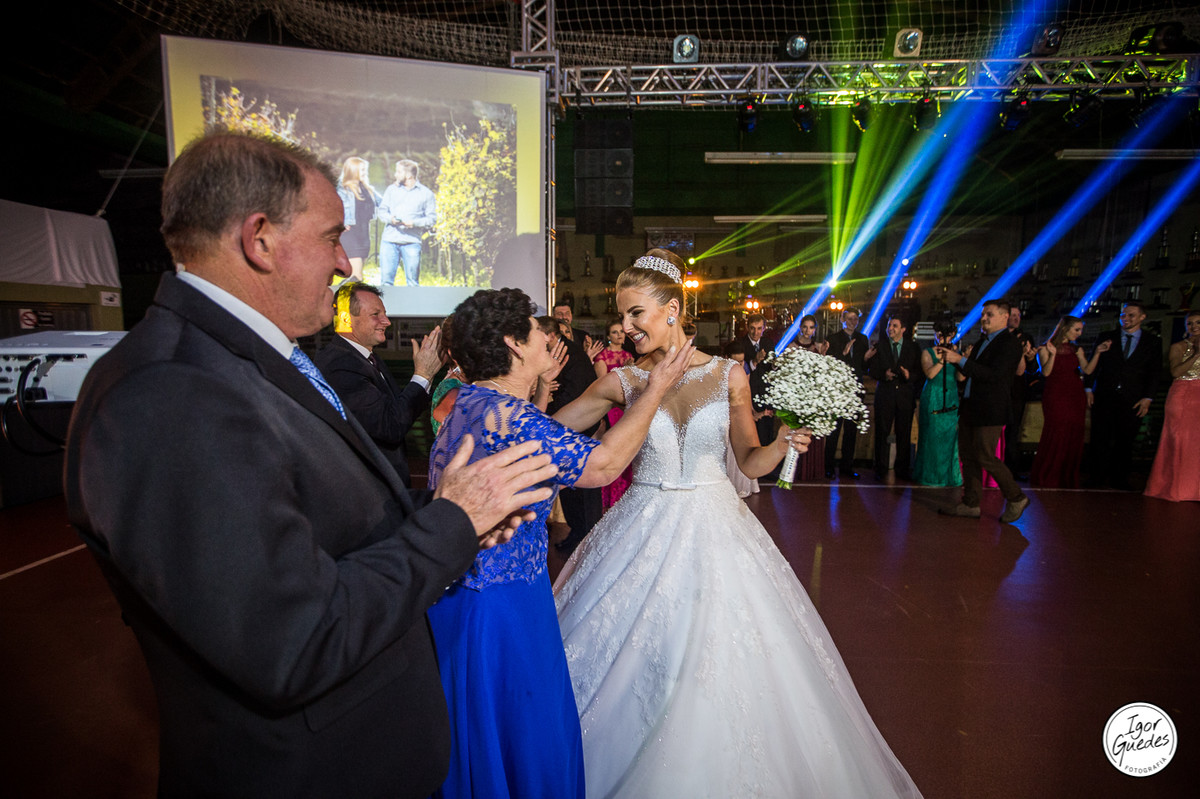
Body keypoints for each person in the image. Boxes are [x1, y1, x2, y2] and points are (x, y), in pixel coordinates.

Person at [62, 130, 557, 799]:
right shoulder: (171, 393)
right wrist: (449, 524)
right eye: (331, 237)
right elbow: (292, 638)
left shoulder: (247, 360)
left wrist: (451, 516)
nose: (346, 260)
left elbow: (332, 522)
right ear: (260, 239)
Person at [553, 250, 923, 798]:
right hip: (639, 526)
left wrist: (781, 444)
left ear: (673, 309)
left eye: (635, 314)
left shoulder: (729, 374)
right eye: (622, 316)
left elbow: (748, 461)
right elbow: (549, 430)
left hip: (715, 526)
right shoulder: (621, 381)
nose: (626, 328)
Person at [426, 287, 694, 799]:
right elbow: (604, 465)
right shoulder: (512, 417)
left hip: (463, 600)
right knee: (526, 737)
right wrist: (656, 387)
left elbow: (547, 436)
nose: (546, 336)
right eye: (534, 328)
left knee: (480, 740)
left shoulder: (475, 403)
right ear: (513, 343)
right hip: (504, 609)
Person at [314, 282, 442, 486]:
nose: (387, 321)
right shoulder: (340, 365)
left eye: (385, 313)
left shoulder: (366, 357)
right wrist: (422, 375)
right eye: (376, 314)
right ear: (346, 319)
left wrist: (425, 376)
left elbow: (397, 411)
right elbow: (389, 426)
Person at [937, 299, 1030, 523]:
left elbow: (995, 375)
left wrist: (960, 360)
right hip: (972, 406)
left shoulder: (1009, 343)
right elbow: (973, 372)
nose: (984, 318)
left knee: (985, 455)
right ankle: (970, 503)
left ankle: (1016, 497)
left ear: (1003, 317)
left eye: (989, 314)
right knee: (968, 456)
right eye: (983, 314)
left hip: (991, 409)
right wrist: (956, 360)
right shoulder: (982, 342)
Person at [1085, 301, 1163, 490]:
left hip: (1132, 398)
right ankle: (1096, 477)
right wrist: (1088, 389)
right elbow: (1093, 365)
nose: (1125, 319)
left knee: (1125, 440)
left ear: (1142, 317)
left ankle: (1119, 478)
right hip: (1105, 395)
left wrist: (1148, 397)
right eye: (1123, 315)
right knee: (1100, 438)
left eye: (1131, 315)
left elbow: (1155, 371)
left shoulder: (1152, 341)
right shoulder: (1106, 336)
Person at [548, 302, 604, 555]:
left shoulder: (569, 354)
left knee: (583, 492)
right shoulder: (559, 353)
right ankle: (576, 534)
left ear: (552, 335)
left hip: (581, 431)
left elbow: (573, 393)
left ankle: (585, 541)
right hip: (570, 431)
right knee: (571, 493)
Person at [1029, 316, 1092, 488]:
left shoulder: (1076, 349)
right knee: (1056, 431)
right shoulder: (1046, 348)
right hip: (1056, 393)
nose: (1079, 334)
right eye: (1076, 330)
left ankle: (1067, 477)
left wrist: (1099, 353)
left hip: (1075, 393)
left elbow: (1087, 370)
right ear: (1065, 329)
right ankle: (1049, 475)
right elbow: (1046, 373)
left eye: (1080, 330)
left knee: (1073, 432)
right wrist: (1054, 354)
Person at [1144, 310, 1200, 502]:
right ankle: (1176, 487)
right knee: (1179, 440)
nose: (1194, 327)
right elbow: (1176, 372)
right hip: (1183, 393)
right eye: (1190, 323)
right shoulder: (1178, 347)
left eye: (1198, 323)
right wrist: (1196, 355)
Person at [867, 315, 921, 481]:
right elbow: (871, 370)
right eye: (889, 326)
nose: (890, 329)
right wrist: (884, 375)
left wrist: (908, 375)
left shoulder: (913, 347)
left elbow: (919, 372)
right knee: (882, 432)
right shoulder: (880, 346)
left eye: (895, 326)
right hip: (885, 395)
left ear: (903, 329)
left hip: (905, 396)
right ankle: (881, 468)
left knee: (903, 433)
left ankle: (902, 469)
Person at [913, 321, 962, 487]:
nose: (942, 338)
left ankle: (949, 476)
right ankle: (930, 475)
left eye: (946, 335)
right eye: (939, 334)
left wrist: (960, 359)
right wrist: (942, 359)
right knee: (932, 435)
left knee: (950, 436)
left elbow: (961, 378)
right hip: (934, 395)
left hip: (951, 396)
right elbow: (930, 374)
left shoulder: (956, 353)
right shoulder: (927, 353)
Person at [593, 318, 635, 509]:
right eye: (615, 332)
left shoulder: (629, 355)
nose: (619, 335)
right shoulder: (602, 357)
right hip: (611, 409)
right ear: (608, 336)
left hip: (626, 407)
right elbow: (602, 387)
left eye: (621, 332)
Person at [825, 306, 870, 479]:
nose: (853, 322)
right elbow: (830, 364)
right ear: (843, 319)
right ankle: (828, 466)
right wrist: (843, 353)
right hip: (838, 391)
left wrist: (867, 358)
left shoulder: (862, 339)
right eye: (850, 318)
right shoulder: (834, 338)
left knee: (851, 431)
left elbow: (863, 367)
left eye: (855, 319)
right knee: (834, 430)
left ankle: (847, 467)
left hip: (855, 390)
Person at [379, 159, 436, 286]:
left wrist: (414, 223)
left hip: (411, 243)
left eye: (399, 172)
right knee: (386, 283)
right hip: (389, 241)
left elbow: (431, 219)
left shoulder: (426, 194)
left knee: (412, 283)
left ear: (409, 176)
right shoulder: (391, 190)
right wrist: (390, 219)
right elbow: (382, 212)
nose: (395, 175)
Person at [1005, 305, 1038, 477]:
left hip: (1017, 391)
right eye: (1013, 315)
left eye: (1019, 315)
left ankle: (1011, 469)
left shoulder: (1026, 338)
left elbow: (1033, 369)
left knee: (1014, 430)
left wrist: (1031, 358)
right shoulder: (998, 337)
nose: (1017, 318)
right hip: (999, 388)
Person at [335, 156, 382, 282]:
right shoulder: (343, 189)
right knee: (357, 276)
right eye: (362, 170)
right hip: (350, 235)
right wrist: (341, 223)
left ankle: (340, 297)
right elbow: (333, 208)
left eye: (365, 170)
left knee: (356, 277)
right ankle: (339, 298)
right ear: (353, 171)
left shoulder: (367, 189)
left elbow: (383, 203)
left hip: (364, 234)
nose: (364, 173)